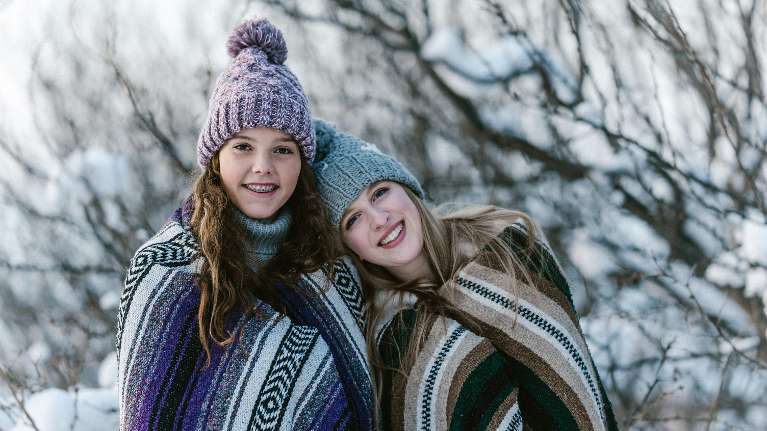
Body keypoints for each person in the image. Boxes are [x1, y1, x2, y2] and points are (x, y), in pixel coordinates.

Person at [115, 20, 372, 430]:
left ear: (302, 163)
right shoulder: (165, 274)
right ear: (216, 157)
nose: (263, 167)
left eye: (283, 149)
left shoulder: (333, 271)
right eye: (243, 146)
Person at [312, 119, 619, 430]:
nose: (379, 219)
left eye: (379, 193)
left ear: (407, 189)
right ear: (350, 248)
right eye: (353, 219)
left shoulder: (509, 251)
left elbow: (579, 394)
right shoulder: (395, 342)